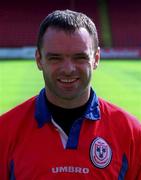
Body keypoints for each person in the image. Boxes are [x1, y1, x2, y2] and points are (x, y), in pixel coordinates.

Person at [0, 9, 141, 180]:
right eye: (55, 58)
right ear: (39, 59)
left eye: (80, 58)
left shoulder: (132, 133)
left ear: (96, 58)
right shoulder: (5, 131)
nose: (68, 69)